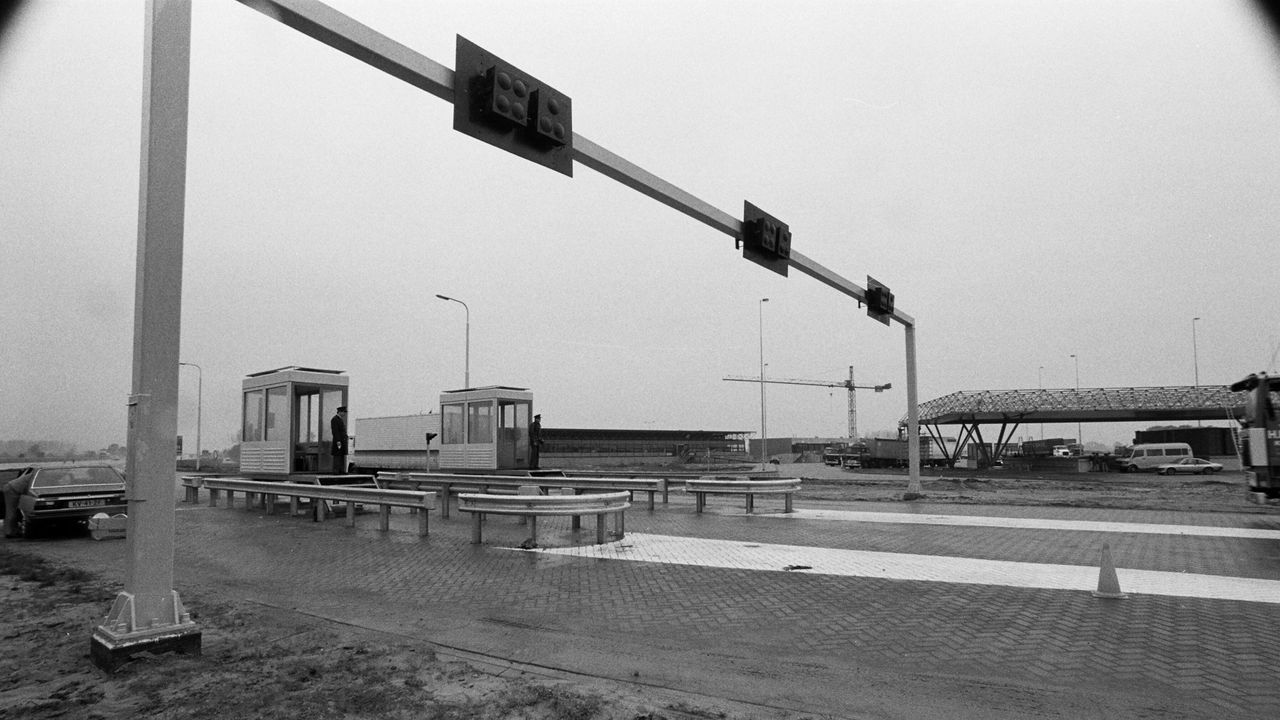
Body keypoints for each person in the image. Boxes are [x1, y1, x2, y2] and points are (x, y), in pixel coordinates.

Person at [3, 470, 33, 538]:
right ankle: (9, 532)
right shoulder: (33, 477)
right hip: (12, 490)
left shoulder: (32, 474)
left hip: (12, 488)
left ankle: (13, 530)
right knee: (11, 512)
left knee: (12, 512)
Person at [331, 406, 349, 474]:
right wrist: (338, 441)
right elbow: (335, 431)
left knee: (341, 455)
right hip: (338, 441)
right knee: (337, 455)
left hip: (342, 440)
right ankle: (336, 470)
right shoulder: (335, 419)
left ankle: (341, 470)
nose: (344, 414)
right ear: (340, 412)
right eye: (344, 412)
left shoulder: (340, 419)